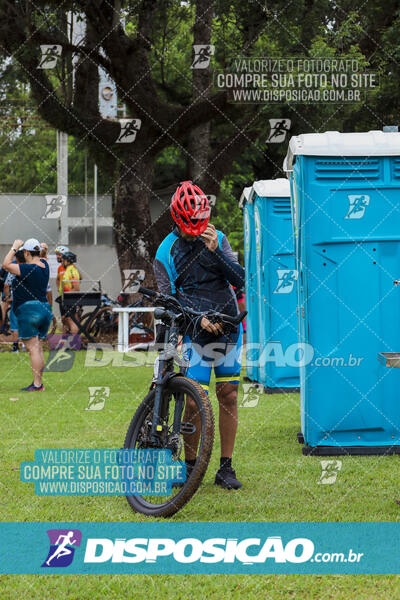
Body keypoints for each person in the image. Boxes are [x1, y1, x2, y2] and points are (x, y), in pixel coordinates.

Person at [153, 181, 245, 490]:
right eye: (189, 225)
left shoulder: (217, 238)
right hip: (195, 330)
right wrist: (198, 321)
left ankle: (226, 467)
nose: (196, 231)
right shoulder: (165, 252)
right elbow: (169, 301)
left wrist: (216, 253)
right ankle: (190, 465)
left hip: (228, 325)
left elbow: (241, 281)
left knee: (229, 395)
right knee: (193, 402)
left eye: (200, 224)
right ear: (176, 218)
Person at [2, 238, 52, 391]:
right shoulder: (45, 265)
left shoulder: (26, 268)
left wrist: (14, 247)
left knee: (33, 348)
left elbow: (5, 265)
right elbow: (43, 250)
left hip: (29, 311)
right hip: (44, 309)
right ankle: (39, 383)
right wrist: (41, 248)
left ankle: (37, 385)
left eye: (24, 251)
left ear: (28, 253)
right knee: (38, 347)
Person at [59, 251, 80, 335]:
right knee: (65, 319)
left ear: (67, 261)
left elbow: (76, 288)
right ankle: (69, 341)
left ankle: (75, 342)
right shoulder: (69, 269)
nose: (62, 262)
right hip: (65, 298)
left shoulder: (72, 271)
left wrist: (67, 293)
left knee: (71, 320)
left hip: (70, 299)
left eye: (63, 260)